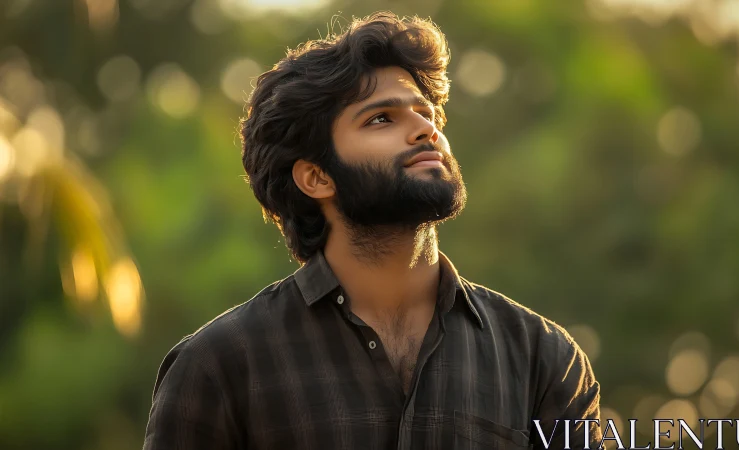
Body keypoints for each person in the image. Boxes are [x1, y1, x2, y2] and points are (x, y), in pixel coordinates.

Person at [142, 11, 602, 450]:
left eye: (429, 115)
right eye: (381, 119)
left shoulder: (543, 358)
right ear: (316, 177)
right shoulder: (220, 365)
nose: (425, 130)